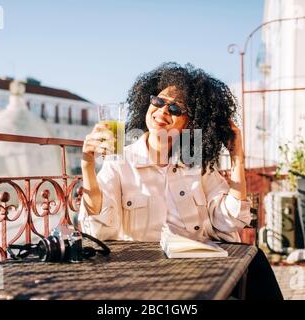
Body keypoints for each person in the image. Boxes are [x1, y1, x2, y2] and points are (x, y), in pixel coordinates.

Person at [78, 62, 283, 300]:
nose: (163, 112)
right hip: (142, 276)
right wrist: (87, 166)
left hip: (200, 270)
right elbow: (97, 229)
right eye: (158, 101)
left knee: (254, 264)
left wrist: (237, 157)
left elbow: (230, 221)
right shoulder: (119, 161)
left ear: (191, 122)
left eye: (176, 108)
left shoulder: (195, 162)